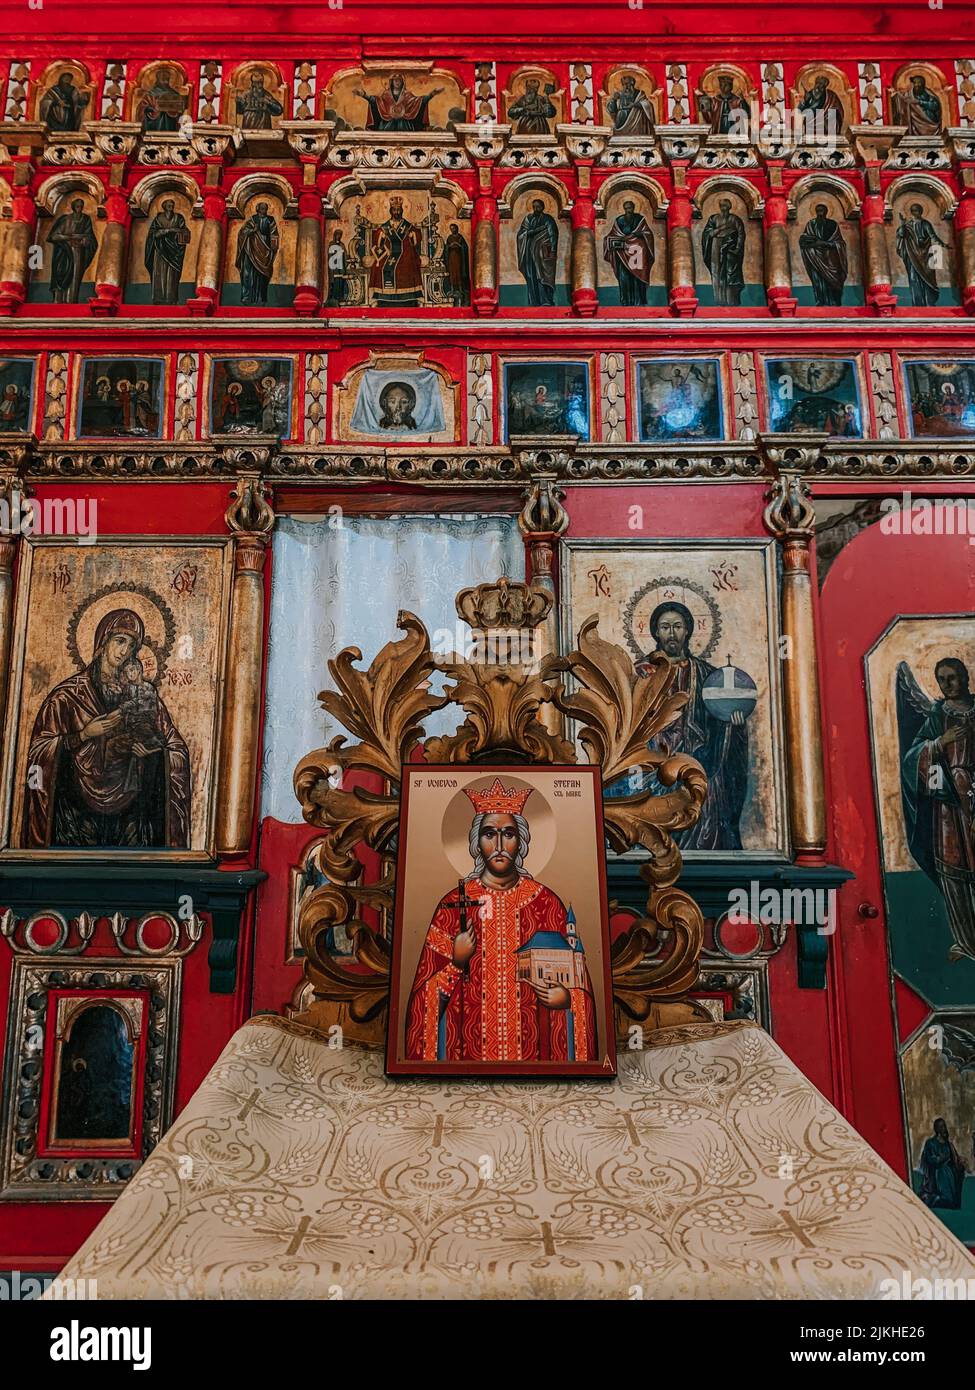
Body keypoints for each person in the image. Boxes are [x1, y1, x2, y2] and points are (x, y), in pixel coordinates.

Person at [404, 778, 597, 1063]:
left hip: (537, 1062)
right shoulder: (452, 906)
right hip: (466, 1063)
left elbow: (579, 982)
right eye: (488, 834)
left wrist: (568, 1000)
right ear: (476, 842)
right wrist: (457, 963)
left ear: (521, 840)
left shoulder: (547, 904)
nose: (498, 845)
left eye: (508, 834)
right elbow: (423, 1003)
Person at [22, 608, 190, 849]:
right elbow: (39, 752)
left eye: (131, 646)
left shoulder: (142, 695)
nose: (125, 651)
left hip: (132, 815)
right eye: (120, 641)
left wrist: (153, 752)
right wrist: (83, 734)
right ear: (103, 641)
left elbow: (174, 746)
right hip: (76, 817)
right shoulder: (66, 697)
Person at [612, 602, 750, 850]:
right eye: (665, 627)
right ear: (655, 632)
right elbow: (622, 722)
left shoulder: (708, 675)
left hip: (699, 762)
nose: (672, 633)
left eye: (678, 626)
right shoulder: (640, 674)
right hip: (652, 764)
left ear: (688, 631)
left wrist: (734, 726)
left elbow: (720, 720)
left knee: (706, 801)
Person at [900, 657, 975, 962]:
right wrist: (938, 743)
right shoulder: (936, 714)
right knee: (954, 870)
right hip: (948, 804)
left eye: (952, 677)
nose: (947, 684)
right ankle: (966, 940)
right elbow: (911, 758)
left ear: (965, 677)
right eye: (941, 679)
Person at [368, 197, 423, 307]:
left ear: (402, 211)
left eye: (399, 210)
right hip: (389, 254)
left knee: (409, 264)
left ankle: (414, 296)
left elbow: (418, 235)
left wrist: (413, 235)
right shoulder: (385, 227)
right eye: (394, 210)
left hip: (406, 253)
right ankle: (379, 297)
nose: (397, 212)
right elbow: (376, 241)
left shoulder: (407, 226)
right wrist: (380, 235)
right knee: (378, 267)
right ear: (390, 211)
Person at [602, 199, 655, 305]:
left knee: (637, 279)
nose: (628, 211)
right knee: (624, 279)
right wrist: (609, 240)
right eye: (626, 209)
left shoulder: (640, 219)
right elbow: (613, 234)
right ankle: (626, 301)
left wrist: (637, 235)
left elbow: (647, 233)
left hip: (638, 255)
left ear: (634, 208)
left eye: (630, 208)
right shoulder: (619, 220)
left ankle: (639, 301)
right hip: (623, 255)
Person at [47, 197, 97, 304]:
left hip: (78, 252)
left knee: (75, 276)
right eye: (77, 206)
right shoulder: (65, 219)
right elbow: (54, 236)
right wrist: (70, 237)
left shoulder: (85, 219)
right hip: (63, 252)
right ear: (73, 207)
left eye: (81, 206)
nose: (79, 208)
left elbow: (90, 237)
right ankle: (58, 301)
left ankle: (71, 301)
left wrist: (85, 240)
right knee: (61, 273)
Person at [896, 203, 947, 307]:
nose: (916, 213)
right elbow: (901, 234)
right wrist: (902, 223)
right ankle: (917, 304)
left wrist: (943, 244)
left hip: (926, 256)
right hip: (912, 256)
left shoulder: (926, 224)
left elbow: (933, 236)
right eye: (914, 210)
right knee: (914, 279)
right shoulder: (908, 225)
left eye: (918, 210)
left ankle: (929, 302)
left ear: (921, 211)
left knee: (929, 278)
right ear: (911, 212)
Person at [355, 73, 443, 132]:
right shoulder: (386, 94)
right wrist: (364, 95)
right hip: (387, 126)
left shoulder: (407, 95)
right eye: (395, 80)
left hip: (404, 126)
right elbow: (376, 101)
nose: (397, 82)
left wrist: (432, 94)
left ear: (402, 82)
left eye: (399, 80)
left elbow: (419, 101)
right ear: (391, 82)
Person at [798, 203, 848, 306]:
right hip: (815, 258)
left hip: (831, 259)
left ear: (826, 212)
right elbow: (805, 240)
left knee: (834, 283)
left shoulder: (832, 224)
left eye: (822, 211)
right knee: (818, 282)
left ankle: (834, 303)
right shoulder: (811, 224)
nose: (820, 213)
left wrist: (824, 243)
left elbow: (840, 243)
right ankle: (821, 302)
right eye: (818, 211)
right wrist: (805, 240)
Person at [144, 198, 190, 305]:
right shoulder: (158, 219)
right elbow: (153, 234)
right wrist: (166, 231)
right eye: (168, 205)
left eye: (172, 204)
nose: (170, 206)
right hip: (160, 251)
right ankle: (159, 298)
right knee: (159, 274)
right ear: (164, 206)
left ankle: (171, 298)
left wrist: (174, 231)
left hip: (175, 252)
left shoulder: (179, 218)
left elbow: (185, 231)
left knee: (172, 275)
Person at [701, 197, 746, 306]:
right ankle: (719, 299)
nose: (723, 208)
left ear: (729, 207)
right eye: (721, 206)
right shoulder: (714, 218)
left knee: (729, 273)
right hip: (715, 246)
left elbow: (741, 234)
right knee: (716, 271)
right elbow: (708, 233)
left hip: (730, 249)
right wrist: (721, 228)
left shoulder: (735, 219)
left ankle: (731, 301)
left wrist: (738, 248)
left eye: (725, 206)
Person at [516, 198, 559, 306]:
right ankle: (534, 301)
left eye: (538, 206)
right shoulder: (529, 219)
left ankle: (546, 300)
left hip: (544, 254)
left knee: (544, 276)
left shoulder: (548, 219)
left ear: (543, 207)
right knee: (532, 277)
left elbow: (553, 235)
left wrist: (552, 250)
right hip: (530, 254)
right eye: (534, 207)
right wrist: (536, 231)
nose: (536, 209)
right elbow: (522, 234)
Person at [236, 202, 279, 305]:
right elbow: (242, 232)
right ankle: (247, 297)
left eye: (265, 208)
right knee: (248, 273)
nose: (264, 210)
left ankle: (261, 299)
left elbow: (274, 234)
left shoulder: (270, 220)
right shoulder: (252, 219)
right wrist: (252, 231)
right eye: (262, 208)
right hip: (251, 249)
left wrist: (273, 245)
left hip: (265, 250)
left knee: (262, 275)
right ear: (257, 209)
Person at [918, 1118, 965, 1209]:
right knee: (945, 1199)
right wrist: (941, 1158)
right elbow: (931, 1160)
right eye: (942, 1127)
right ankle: (934, 1199)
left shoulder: (948, 1144)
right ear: (937, 1129)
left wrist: (960, 1162)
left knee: (952, 1202)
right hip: (938, 1175)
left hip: (950, 1175)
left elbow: (955, 1159)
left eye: (944, 1126)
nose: (944, 1129)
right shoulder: (931, 1143)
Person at [137, 67, 186, 132]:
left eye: (166, 78)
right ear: (158, 79)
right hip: (154, 124)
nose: (164, 80)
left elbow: (181, 110)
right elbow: (142, 109)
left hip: (170, 125)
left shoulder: (174, 94)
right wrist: (153, 109)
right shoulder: (150, 94)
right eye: (162, 78)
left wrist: (175, 108)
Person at [797, 75, 845, 140]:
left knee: (832, 114)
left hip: (826, 123)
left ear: (825, 87)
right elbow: (800, 111)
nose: (819, 87)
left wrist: (828, 117)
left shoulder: (831, 96)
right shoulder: (809, 94)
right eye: (818, 84)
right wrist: (804, 102)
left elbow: (838, 109)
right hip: (811, 124)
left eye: (822, 85)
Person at [443, 223, 470, 305]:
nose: (452, 230)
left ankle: (461, 289)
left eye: (453, 228)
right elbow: (446, 248)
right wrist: (449, 246)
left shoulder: (460, 237)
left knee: (458, 273)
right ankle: (452, 289)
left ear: (456, 228)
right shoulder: (449, 237)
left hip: (459, 258)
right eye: (451, 229)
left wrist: (459, 245)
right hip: (451, 258)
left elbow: (465, 247)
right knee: (452, 274)